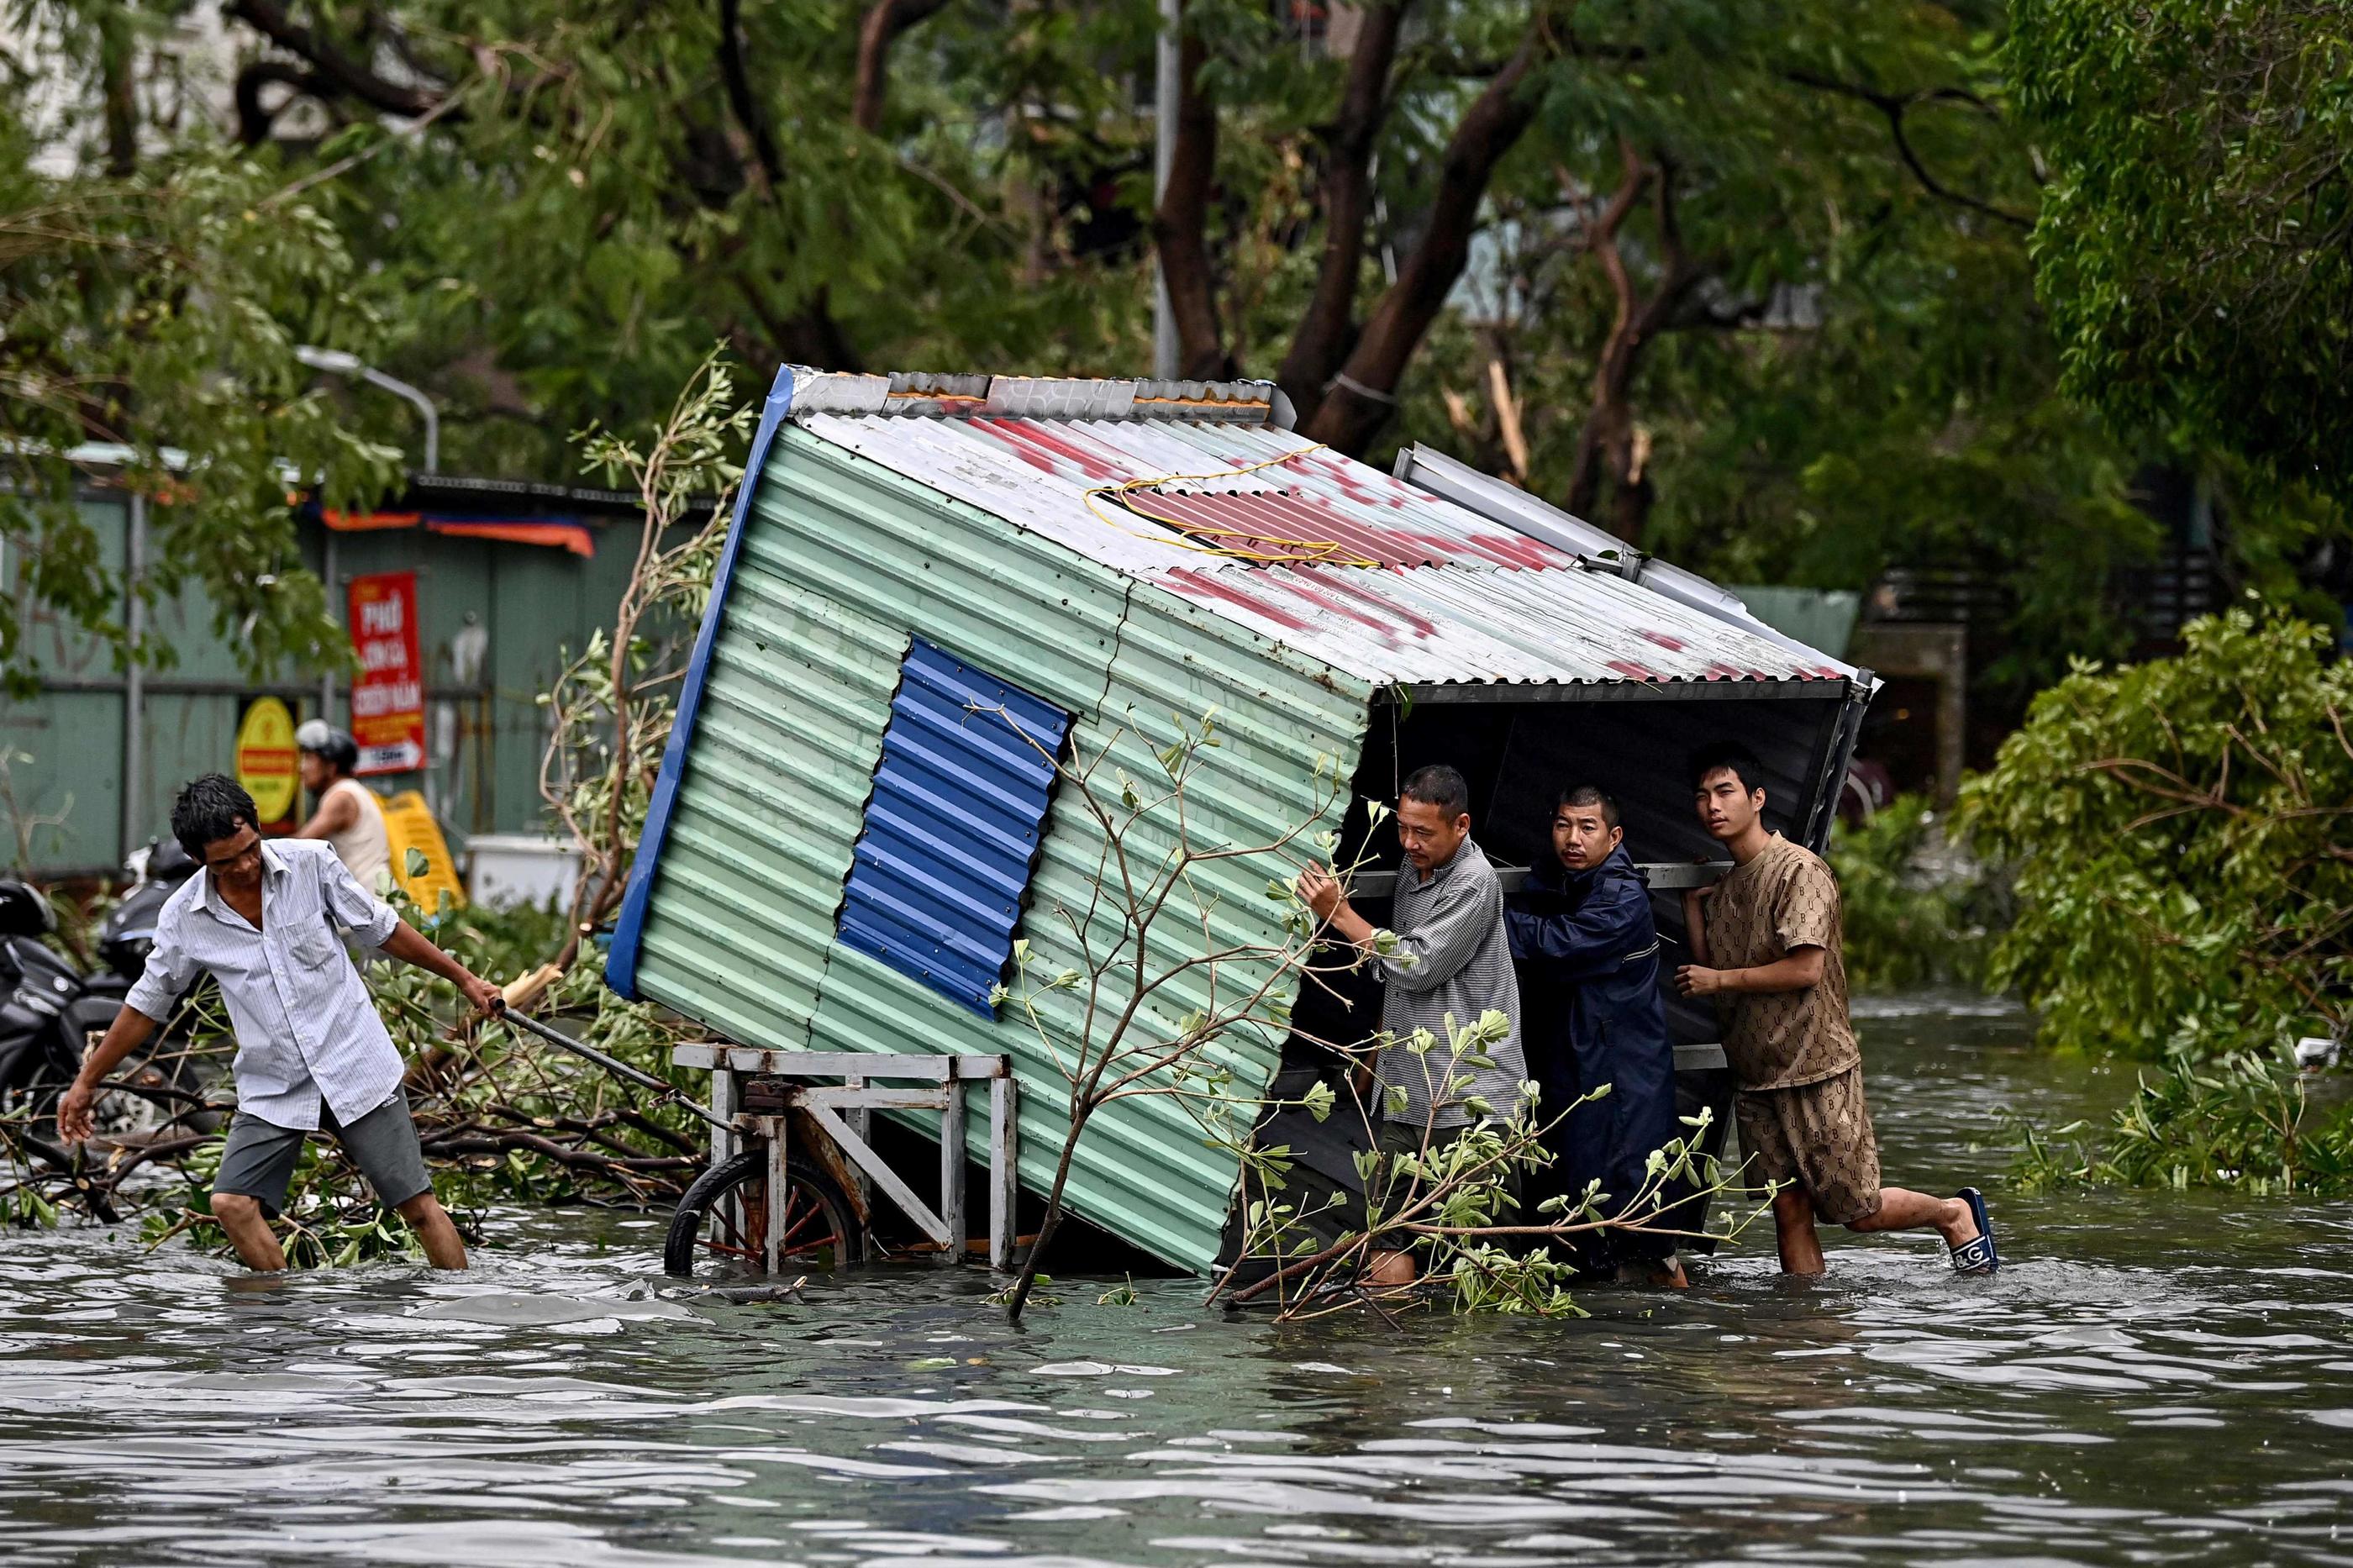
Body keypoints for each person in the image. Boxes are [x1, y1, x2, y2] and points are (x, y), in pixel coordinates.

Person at [59, 774, 503, 1271]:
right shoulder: (185, 916)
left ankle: (459, 1316)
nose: (247, 866)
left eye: (251, 848)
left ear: (256, 827)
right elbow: (146, 1006)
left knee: (417, 1207)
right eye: (227, 862)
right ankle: (284, 1325)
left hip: (354, 1064)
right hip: (275, 1083)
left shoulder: (311, 864)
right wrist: (86, 1082)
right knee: (231, 1205)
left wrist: (465, 980)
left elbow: (383, 929)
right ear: (199, 860)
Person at [1673, 742, 1998, 1276]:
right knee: (1789, 1212)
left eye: (1725, 791)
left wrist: (1718, 977)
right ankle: (1808, 1331)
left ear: (1757, 798)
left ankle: (1954, 1213)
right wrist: (1693, 911)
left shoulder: (1801, 871)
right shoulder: (1727, 886)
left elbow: (1805, 969)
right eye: (1703, 795)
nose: (1713, 804)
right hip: (1756, 1076)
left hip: (1815, 1066)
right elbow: (1714, 980)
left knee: (1858, 1212)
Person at [1297, 764, 1527, 1282]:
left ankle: (1474, 1356)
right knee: (1385, 1231)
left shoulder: (1475, 881)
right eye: (1402, 827)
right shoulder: (1413, 868)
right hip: (1408, 1089)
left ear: (1462, 825)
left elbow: (1419, 966)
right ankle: (1393, 1360)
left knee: (1480, 1251)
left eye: (1423, 832)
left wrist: (1341, 914)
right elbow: (1399, 976)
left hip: (1473, 1098)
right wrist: (1381, 1047)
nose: (1409, 842)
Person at [1505, 784, 1689, 1288]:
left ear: (1614, 836)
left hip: (1623, 1069)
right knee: (1581, 1190)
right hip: (1582, 1062)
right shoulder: (1562, 880)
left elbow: (1561, 945)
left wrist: (1487, 919)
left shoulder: (1620, 895)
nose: (1573, 838)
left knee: (1636, 1205)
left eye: (1588, 828)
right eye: (1564, 825)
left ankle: (1674, 1316)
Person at [293, 719, 392, 891]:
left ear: (331, 766)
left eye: (309, 759)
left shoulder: (342, 797)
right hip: (370, 896)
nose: (301, 768)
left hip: (370, 901)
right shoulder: (351, 791)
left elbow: (299, 845)